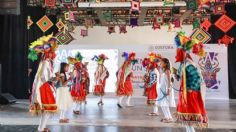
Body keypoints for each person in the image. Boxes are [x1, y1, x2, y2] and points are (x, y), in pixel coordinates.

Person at [174, 32, 208, 132]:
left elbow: (197, 78)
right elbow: (182, 76)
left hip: (189, 93)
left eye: (179, 52)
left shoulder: (188, 64)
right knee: (187, 119)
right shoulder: (183, 64)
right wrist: (175, 75)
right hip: (185, 93)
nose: (177, 54)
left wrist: (190, 89)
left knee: (189, 118)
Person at [28, 34, 59, 132]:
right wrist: (56, 78)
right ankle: (41, 128)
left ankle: (41, 127)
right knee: (48, 110)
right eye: (52, 54)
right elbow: (45, 77)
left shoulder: (46, 62)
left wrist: (54, 78)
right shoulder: (45, 62)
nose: (53, 55)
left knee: (47, 110)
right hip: (43, 88)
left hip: (43, 86)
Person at [157, 58, 176, 123]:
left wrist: (168, 90)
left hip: (166, 90)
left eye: (161, 63)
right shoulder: (163, 70)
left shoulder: (167, 71)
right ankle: (168, 117)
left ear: (165, 64)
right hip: (162, 89)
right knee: (163, 104)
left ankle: (169, 117)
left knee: (164, 104)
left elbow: (169, 81)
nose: (160, 64)